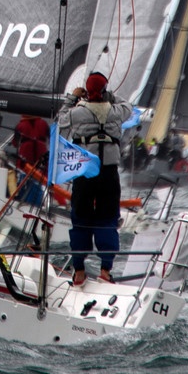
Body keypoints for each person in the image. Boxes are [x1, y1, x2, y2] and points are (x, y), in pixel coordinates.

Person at [59, 71, 131, 286]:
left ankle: (79, 271)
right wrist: (108, 95)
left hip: (85, 172)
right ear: (104, 90)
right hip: (109, 173)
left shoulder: (77, 112)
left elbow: (60, 119)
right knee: (107, 220)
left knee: (80, 219)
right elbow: (129, 107)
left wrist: (73, 97)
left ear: (87, 92)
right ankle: (106, 271)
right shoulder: (117, 111)